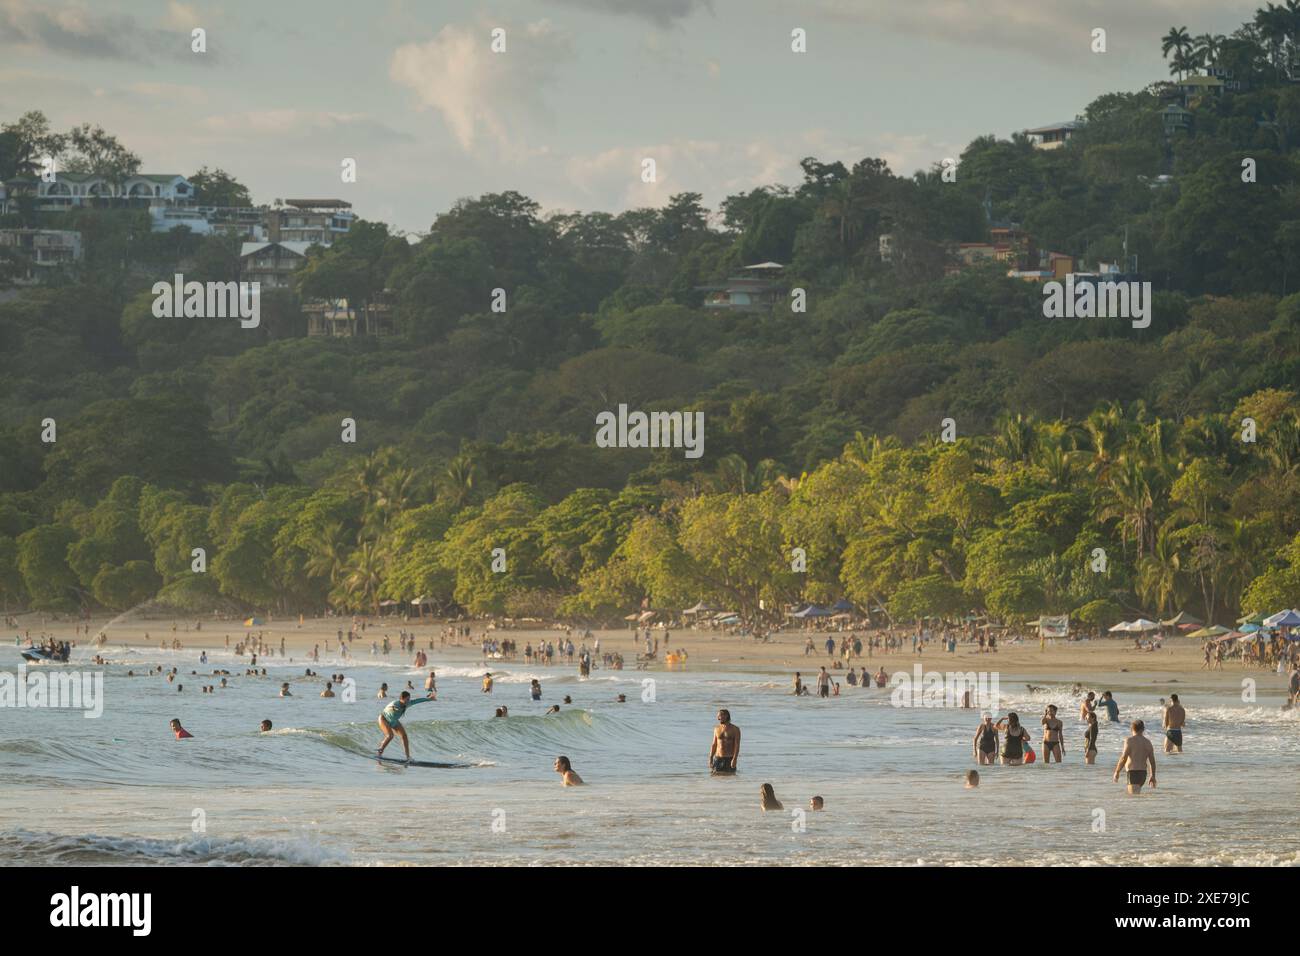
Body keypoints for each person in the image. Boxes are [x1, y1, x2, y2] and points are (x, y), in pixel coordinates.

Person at [377, 691, 434, 762]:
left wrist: (428, 699)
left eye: (409, 699)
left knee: (404, 736)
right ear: (401, 698)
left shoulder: (407, 704)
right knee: (390, 735)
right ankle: (379, 752)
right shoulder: (395, 703)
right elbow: (391, 707)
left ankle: (408, 757)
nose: (408, 701)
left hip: (394, 721)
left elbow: (417, 701)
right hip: (384, 719)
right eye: (407, 699)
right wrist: (395, 709)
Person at [1113, 720, 1157, 794]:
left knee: (1133, 799)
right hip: (1143, 774)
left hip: (1133, 773)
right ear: (1143, 729)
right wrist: (1152, 776)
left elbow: (1124, 758)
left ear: (1132, 729)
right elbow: (1152, 761)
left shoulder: (1129, 741)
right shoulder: (1148, 742)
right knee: (1135, 797)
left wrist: (1117, 772)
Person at [709, 708, 741, 774]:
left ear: (726, 716)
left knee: (730, 778)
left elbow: (737, 745)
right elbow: (714, 744)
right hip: (717, 758)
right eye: (718, 716)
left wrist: (734, 759)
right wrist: (711, 758)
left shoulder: (735, 729)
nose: (718, 718)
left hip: (729, 758)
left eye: (719, 716)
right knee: (715, 778)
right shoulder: (716, 728)